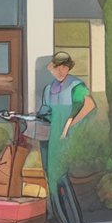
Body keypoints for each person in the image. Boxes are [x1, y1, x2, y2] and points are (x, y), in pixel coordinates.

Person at [36, 52, 96, 196]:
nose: (60, 71)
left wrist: (69, 126)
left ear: (69, 68)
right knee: (50, 175)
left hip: (67, 139)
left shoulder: (76, 86)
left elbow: (89, 106)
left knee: (62, 176)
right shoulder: (49, 89)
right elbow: (46, 113)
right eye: (57, 67)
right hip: (50, 140)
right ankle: (54, 212)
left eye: (64, 67)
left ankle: (65, 214)